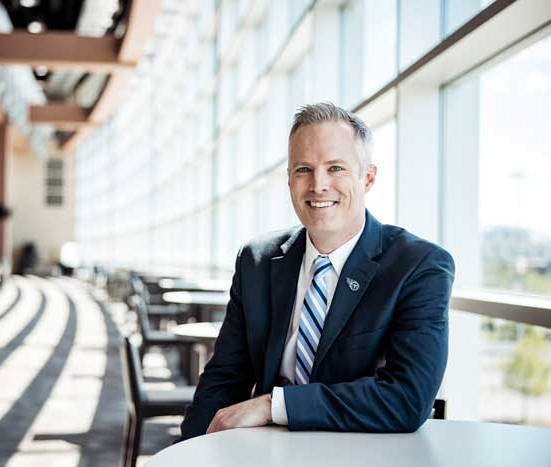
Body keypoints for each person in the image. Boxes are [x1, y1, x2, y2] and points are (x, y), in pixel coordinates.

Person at [180, 102, 455, 439]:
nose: (318, 184)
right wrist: (188, 451)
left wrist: (273, 405)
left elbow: (406, 399)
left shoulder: (418, 266)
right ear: (289, 180)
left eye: (335, 168)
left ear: (367, 178)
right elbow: (223, 379)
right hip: (266, 456)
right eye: (303, 169)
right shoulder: (256, 262)